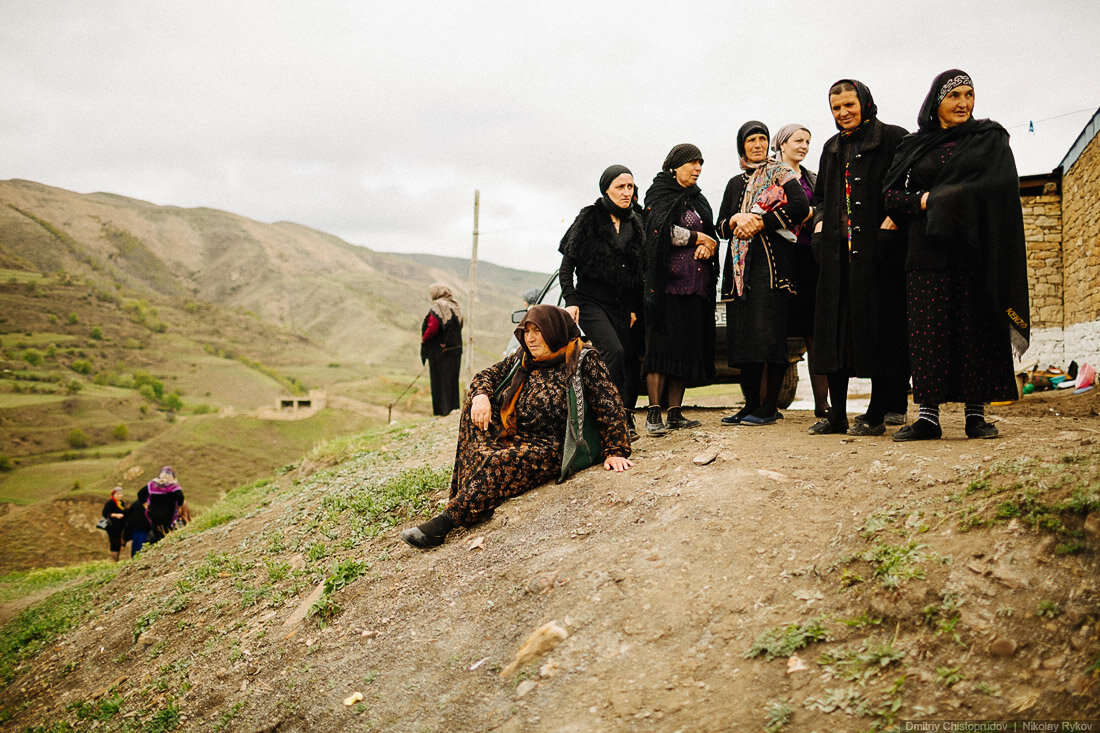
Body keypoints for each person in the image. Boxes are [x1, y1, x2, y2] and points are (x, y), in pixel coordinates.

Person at [400, 305, 633, 548]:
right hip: (516, 432)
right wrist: (480, 396)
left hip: (553, 444)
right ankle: (468, 495)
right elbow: (487, 375)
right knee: (474, 408)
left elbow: (609, 403)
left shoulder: (582, 359)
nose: (530, 338)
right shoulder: (524, 358)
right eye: (527, 331)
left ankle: (443, 524)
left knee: (498, 462)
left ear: (554, 330)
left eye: (537, 331)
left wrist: (616, 450)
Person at [883, 69, 1029, 441]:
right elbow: (892, 197)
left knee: (975, 328)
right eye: (954, 96)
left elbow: (999, 187)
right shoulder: (913, 147)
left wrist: (954, 196)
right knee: (928, 333)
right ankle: (928, 417)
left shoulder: (989, 139)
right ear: (936, 103)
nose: (964, 103)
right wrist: (926, 199)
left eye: (969, 94)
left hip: (975, 251)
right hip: (926, 253)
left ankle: (976, 416)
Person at [809, 80, 910, 437]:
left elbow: (910, 184)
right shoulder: (831, 147)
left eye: (849, 105)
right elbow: (821, 197)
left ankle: (877, 413)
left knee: (878, 331)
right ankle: (836, 414)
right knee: (834, 333)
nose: (843, 113)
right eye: (836, 108)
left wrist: (894, 218)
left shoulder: (893, 138)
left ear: (865, 103)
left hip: (879, 254)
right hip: (836, 258)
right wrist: (820, 224)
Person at [716, 122, 809, 426]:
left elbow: (799, 206)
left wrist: (760, 221)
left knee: (770, 336)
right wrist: (735, 220)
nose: (757, 144)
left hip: (771, 268)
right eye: (751, 140)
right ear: (741, 145)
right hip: (741, 271)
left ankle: (769, 406)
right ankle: (751, 404)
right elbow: (719, 227)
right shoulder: (733, 183)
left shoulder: (781, 174)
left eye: (762, 139)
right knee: (744, 339)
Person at [558, 164, 646, 437]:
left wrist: (632, 308)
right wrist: (571, 300)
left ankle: (621, 418)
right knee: (613, 352)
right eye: (620, 187)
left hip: (622, 305)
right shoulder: (590, 217)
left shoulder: (634, 222)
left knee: (629, 359)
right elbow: (567, 265)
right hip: (589, 301)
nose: (626, 192)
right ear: (606, 189)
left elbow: (635, 271)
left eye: (630, 187)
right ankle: (604, 419)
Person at [641, 143, 719, 434]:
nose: (698, 168)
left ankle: (675, 413)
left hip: (696, 286)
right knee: (661, 349)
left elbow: (711, 237)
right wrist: (700, 238)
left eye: (701, 164)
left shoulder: (697, 199)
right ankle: (653, 415)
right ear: (675, 165)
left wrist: (708, 248)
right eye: (692, 163)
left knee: (684, 349)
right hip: (667, 288)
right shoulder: (659, 193)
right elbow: (660, 231)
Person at [772, 123, 830, 418]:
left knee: (813, 331)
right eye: (798, 140)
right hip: (779, 257)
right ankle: (767, 403)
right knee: (775, 332)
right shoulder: (769, 175)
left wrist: (812, 214)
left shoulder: (813, 178)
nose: (804, 146)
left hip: (809, 257)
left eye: (808, 141)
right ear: (782, 144)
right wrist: (804, 213)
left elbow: (823, 206)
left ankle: (823, 403)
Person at [421, 283, 464, 416]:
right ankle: (453, 409)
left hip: (440, 352)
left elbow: (433, 327)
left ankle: (441, 412)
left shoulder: (438, 306)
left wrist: (424, 339)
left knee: (439, 381)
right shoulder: (455, 305)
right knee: (452, 380)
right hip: (456, 349)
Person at [146, 466, 185, 543]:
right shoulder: (174, 486)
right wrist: (179, 506)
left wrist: (145, 503)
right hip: (168, 514)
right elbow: (181, 498)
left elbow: (141, 494)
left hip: (154, 513)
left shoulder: (153, 484)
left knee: (155, 530)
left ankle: (154, 546)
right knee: (167, 531)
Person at [124, 485, 151, 557]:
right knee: (140, 550)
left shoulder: (135, 503)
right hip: (143, 531)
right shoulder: (147, 504)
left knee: (136, 551)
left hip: (136, 531)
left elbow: (128, 516)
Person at [101, 486, 127, 562]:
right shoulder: (110, 503)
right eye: (118, 494)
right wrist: (115, 515)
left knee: (119, 543)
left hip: (120, 526)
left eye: (121, 494)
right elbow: (105, 513)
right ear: (114, 495)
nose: (120, 496)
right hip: (113, 526)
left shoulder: (121, 503)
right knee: (114, 543)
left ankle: (117, 559)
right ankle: (115, 560)